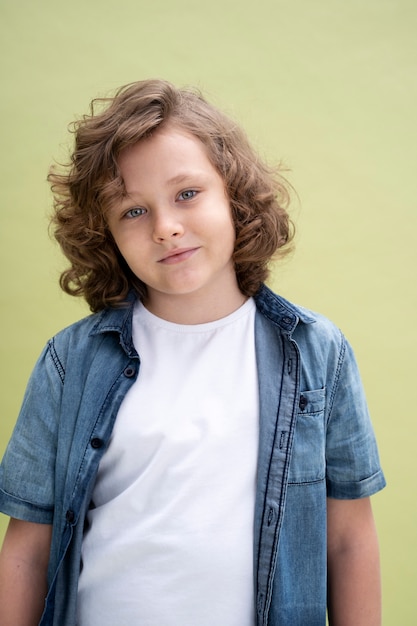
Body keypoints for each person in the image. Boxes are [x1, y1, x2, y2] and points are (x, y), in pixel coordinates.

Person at [0, 79, 385, 626]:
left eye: (186, 194)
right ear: (105, 232)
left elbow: (349, 539)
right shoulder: (70, 362)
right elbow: (27, 548)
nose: (166, 228)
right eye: (133, 211)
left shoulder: (317, 352)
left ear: (233, 193)